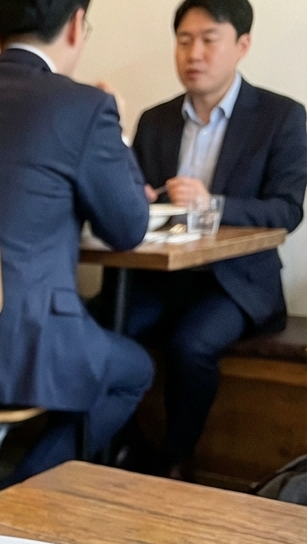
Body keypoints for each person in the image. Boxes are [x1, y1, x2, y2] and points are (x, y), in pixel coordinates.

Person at [0, 0, 154, 485]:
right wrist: (119, 135)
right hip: (25, 341)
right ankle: (20, 491)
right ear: (78, 24)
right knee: (135, 371)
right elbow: (128, 228)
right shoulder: (84, 106)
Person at [129, 0, 306, 478]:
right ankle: (127, 450)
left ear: (242, 46)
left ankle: (174, 462)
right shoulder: (154, 120)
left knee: (191, 346)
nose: (194, 53)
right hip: (161, 276)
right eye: (184, 40)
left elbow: (288, 211)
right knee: (105, 328)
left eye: (209, 40)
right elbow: (137, 206)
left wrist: (213, 204)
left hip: (237, 280)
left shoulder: (282, 117)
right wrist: (137, 197)